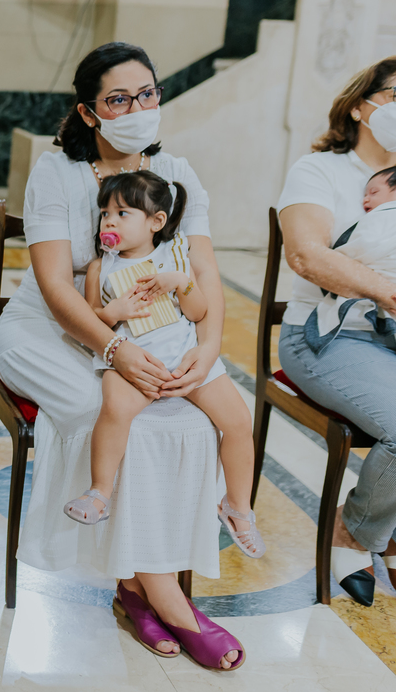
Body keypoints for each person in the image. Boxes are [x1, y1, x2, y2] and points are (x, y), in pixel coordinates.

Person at [0, 42, 244, 670]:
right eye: (119, 99)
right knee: (95, 405)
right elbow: (54, 286)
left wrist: (206, 351)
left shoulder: (179, 174)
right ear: (89, 111)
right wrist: (112, 346)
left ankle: (134, 585)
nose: (138, 107)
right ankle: (164, 596)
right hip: (49, 330)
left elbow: (204, 273)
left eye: (148, 93)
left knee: (185, 417)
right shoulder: (59, 172)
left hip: (155, 329)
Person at [65, 171, 264, 560]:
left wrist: (179, 282)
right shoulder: (98, 268)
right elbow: (89, 319)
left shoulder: (174, 255)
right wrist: (113, 311)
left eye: (123, 213)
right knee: (115, 411)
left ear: (156, 222)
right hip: (133, 359)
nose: (109, 221)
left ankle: (238, 507)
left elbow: (199, 309)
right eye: (105, 213)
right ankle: (99, 491)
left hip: (184, 354)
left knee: (239, 423)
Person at [276, 57, 396, 607]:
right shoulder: (319, 170)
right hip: (325, 336)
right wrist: (385, 290)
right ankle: (355, 531)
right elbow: (306, 254)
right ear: (359, 106)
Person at [304, 165, 396, 354]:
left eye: (374, 192)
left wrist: (340, 256)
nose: (365, 199)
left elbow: (350, 253)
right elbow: (342, 262)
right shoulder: (378, 218)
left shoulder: (386, 214)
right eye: (364, 194)